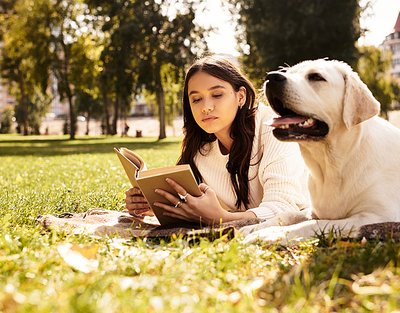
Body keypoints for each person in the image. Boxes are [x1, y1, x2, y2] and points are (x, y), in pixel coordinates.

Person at [125, 55, 309, 225]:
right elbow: (203, 206)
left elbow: (283, 210)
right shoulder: (199, 149)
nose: (205, 107)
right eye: (196, 99)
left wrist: (222, 218)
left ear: (241, 96)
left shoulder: (272, 127)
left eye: (217, 95)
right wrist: (156, 205)